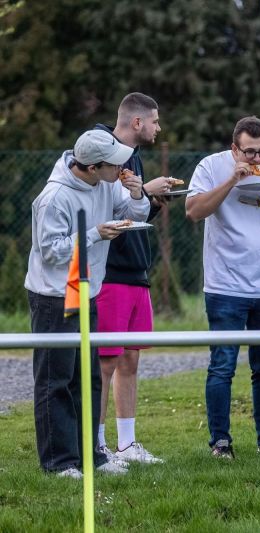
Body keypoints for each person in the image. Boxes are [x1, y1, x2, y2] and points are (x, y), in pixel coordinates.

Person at [25, 129, 150, 478]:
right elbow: (51, 253)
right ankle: (59, 462)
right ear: (94, 167)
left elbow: (133, 212)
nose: (122, 167)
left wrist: (138, 195)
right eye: (115, 164)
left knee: (89, 377)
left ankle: (91, 455)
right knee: (56, 380)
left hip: (89, 290)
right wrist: (95, 233)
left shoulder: (109, 184)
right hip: (55, 295)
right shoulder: (54, 198)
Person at [185, 116, 260, 459]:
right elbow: (193, 211)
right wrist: (231, 180)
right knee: (222, 365)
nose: (257, 160)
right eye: (249, 153)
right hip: (225, 285)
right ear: (234, 148)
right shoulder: (211, 166)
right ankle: (220, 442)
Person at [94, 92, 176, 465]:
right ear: (137, 122)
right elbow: (104, 210)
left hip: (136, 273)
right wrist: (146, 189)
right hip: (109, 275)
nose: (159, 128)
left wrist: (149, 198)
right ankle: (97, 446)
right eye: (155, 121)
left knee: (130, 361)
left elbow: (130, 215)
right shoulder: (101, 150)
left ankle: (127, 444)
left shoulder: (134, 159)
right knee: (105, 362)